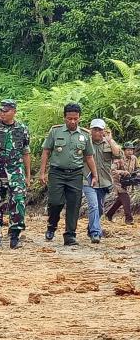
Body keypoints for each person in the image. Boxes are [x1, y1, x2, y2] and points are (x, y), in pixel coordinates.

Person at [39, 103, 98, 246]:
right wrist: (42, 173)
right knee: (55, 202)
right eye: (69, 118)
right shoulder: (55, 132)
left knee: (74, 204)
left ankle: (70, 235)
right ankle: (52, 226)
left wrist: (94, 175)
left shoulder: (84, 135)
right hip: (56, 173)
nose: (72, 121)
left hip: (76, 174)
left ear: (79, 118)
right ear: (64, 117)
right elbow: (46, 151)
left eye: (75, 119)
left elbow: (89, 156)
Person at [0, 99, 31, 249]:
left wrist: (27, 175)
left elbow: (26, 153)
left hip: (16, 171)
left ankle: (15, 233)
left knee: (18, 200)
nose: (2, 113)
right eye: (1, 110)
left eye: (6, 111)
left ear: (14, 112)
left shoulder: (22, 129)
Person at [82, 119, 121, 243]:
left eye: (100, 130)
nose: (97, 132)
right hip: (88, 179)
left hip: (104, 181)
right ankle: (95, 233)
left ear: (104, 131)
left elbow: (119, 154)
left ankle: (91, 227)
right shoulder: (85, 142)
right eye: (95, 129)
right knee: (93, 205)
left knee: (99, 208)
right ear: (91, 130)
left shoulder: (108, 144)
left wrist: (110, 140)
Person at [107, 142, 138, 224]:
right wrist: (123, 172)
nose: (130, 152)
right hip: (117, 182)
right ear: (124, 151)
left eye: (131, 150)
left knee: (121, 200)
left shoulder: (134, 158)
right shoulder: (119, 159)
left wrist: (135, 176)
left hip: (127, 182)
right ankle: (129, 219)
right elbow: (112, 171)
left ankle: (108, 215)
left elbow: (137, 169)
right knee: (126, 198)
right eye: (128, 150)